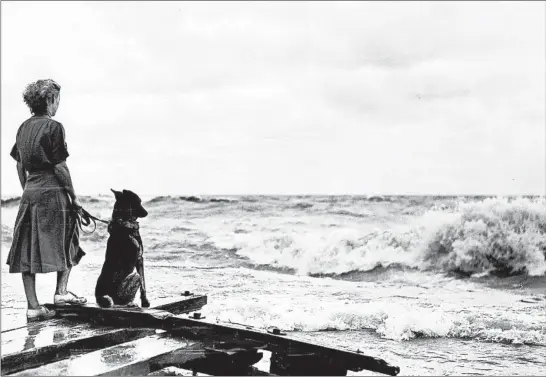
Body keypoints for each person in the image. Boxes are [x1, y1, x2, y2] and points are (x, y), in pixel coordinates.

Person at [8, 79, 87, 322]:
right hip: (53, 191)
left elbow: (20, 165)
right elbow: (60, 166)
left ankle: (33, 307)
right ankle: (61, 293)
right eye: (57, 100)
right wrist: (73, 197)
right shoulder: (54, 127)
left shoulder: (23, 128)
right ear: (50, 100)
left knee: (26, 247)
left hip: (30, 192)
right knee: (68, 237)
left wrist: (28, 189)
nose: (58, 105)